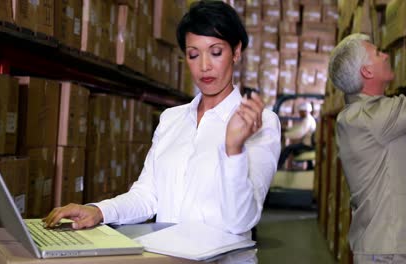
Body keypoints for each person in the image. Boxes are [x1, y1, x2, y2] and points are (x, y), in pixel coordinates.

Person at [44, 1, 281, 263]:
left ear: (236, 52)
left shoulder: (262, 123)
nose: (204, 66)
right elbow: (147, 196)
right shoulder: (172, 119)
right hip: (164, 258)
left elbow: (241, 221)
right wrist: (98, 210)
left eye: (215, 52)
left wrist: (233, 150)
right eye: (193, 54)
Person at [328, 33, 406, 264]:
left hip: (390, 247)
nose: (387, 55)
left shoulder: (373, 118)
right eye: (378, 53)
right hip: (389, 252)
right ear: (366, 72)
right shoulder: (367, 116)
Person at [277, 101, 316, 170]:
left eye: (300, 112)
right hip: (307, 144)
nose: (299, 113)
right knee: (293, 149)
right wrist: (286, 129)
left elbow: (299, 133)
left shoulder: (308, 120)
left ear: (304, 111)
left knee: (287, 149)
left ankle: (277, 167)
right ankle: (310, 168)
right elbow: (297, 128)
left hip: (307, 145)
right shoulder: (308, 119)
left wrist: (285, 135)